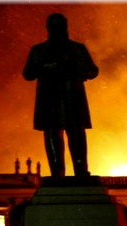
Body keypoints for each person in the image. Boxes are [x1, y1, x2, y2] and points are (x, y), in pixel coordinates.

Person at [23, 13, 98, 178]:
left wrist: (78, 70)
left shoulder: (77, 49)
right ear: (48, 28)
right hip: (50, 100)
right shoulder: (38, 51)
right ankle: (57, 174)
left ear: (65, 27)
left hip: (72, 99)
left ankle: (81, 171)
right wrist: (45, 67)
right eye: (53, 26)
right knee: (52, 134)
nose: (57, 29)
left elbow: (93, 70)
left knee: (76, 134)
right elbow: (28, 73)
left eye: (60, 26)